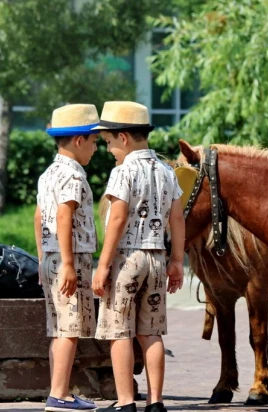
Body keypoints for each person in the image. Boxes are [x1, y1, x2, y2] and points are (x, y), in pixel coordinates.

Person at [91, 101, 185, 412]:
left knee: (119, 332)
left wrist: (103, 264)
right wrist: (176, 262)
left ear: (124, 137)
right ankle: (156, 402)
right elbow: (178, 219)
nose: (108, 149)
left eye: (108, 142)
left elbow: (117, 219)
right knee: (151, 332)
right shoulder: (166, 170)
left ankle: (126, 401)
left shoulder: (124, 171)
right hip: (157, 258)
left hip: (127, 259)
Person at [34, 104, 100, 411]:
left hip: (50, 257)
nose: (97, 147)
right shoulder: (73, 174)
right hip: (69, 259)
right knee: (70, 329)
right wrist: (70, 264)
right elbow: (64, 215)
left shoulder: (49, 173)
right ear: (78, 140)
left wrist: (42, 257)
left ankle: (59, 390)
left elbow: (39, 217)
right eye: (94, 141)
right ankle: (58, 396)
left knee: (59, 328)